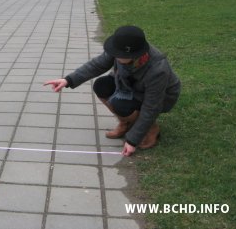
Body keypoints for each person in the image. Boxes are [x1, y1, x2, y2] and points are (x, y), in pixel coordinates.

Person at [44, 25, 181, 156]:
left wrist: (132, 141)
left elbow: (152, 106)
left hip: (161, 97)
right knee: (101, 86)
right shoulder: (119, 49)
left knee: (121, 105)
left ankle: (151, 128)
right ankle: (126, 123)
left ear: (135, 55)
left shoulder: (157, 69)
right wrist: (68, 80)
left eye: (119, 55)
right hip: (129, 86)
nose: (115, 56)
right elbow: (97, 65)